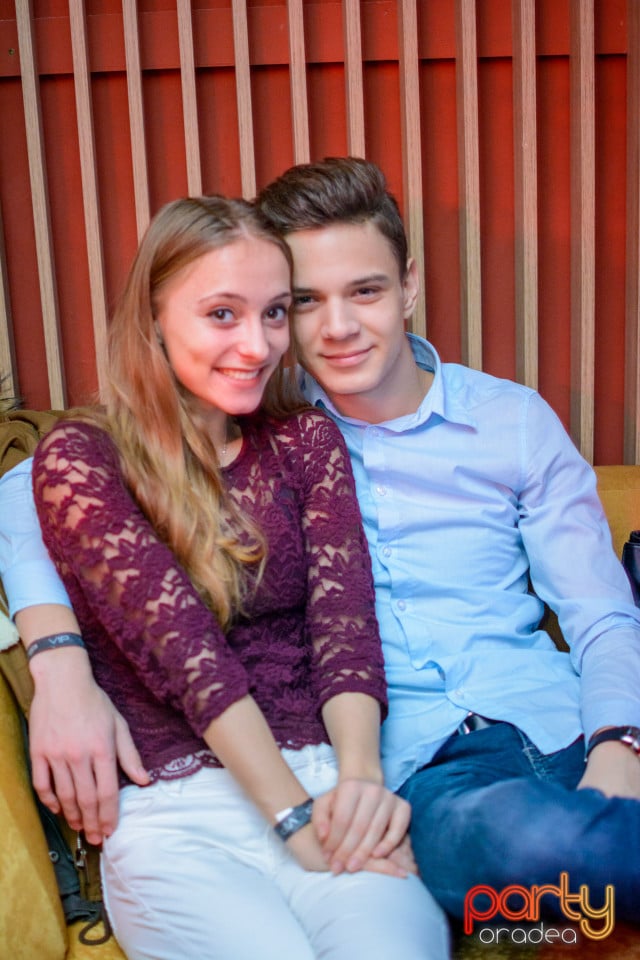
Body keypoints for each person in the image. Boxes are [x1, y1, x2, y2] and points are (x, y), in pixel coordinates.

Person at [2, 158, 640, 926]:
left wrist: (619, 745)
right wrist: (60, 665)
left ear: (408, 286)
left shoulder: (512, 420)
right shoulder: (260, 420)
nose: (337, 329)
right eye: (304, 302)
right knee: (540, 848)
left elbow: (603, 614)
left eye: (365, 291)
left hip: (560, 719)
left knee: (587, 841)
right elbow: (28, 488)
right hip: (430, 774)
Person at [1, 194, 448, 960]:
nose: (258, 344)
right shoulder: (83, 459)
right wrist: (290, 820)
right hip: (175, 817)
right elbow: (188, 657)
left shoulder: (304, 440)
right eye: (221, 314)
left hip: (323, 775)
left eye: (274, 313)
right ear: (153, 318)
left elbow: (344, 626)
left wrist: (360, 782)